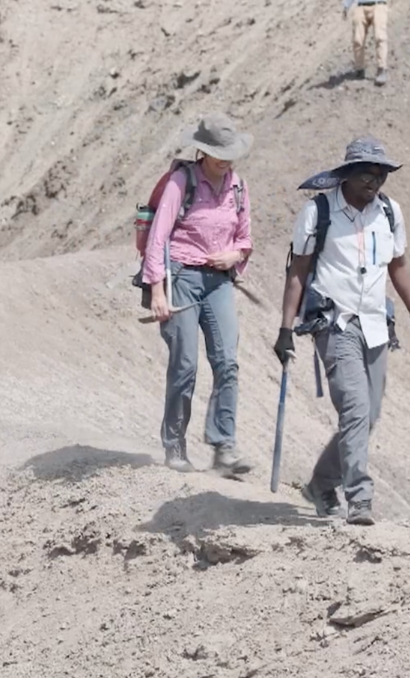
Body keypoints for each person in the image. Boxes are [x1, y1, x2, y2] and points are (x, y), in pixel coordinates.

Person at [274, 136, 410, 525]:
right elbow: (299, 272)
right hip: (335, 322)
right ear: (346, 174)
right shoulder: (319, 212)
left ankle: (321, 484)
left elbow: (399, 267)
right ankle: (359, 497)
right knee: (356, 408)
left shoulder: (390, 213)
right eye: (366, 175)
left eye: (381, 176)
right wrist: (285, 328)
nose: (374, 183)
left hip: (377, 325)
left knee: (368, 414)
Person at [141, 113, 255, 477]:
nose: (224, 160)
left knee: (227, 363)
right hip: (181, 279)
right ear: (202, 152)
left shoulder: (238, 187)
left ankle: (224, 446)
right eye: (216, 152)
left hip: (219, 280)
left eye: (228, 153)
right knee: (185, 364)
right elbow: (158, 238)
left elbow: (245, 238)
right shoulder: (182, 181)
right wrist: (157, 289)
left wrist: (235, 255)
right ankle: (174, 445)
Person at [343, 0, 390, 86]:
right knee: (357, 40)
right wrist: (346, 5)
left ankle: (382, 68)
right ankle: (359, 69)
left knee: (380, 37)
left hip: (379, 5)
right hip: (361, 6)